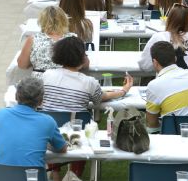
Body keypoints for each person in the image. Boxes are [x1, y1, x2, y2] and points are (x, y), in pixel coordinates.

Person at [42, 37, 132, 181]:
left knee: (56, 127)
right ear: (82, 57)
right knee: (84, 129)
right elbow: (100, 98)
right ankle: (75, 173)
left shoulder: (47, 75)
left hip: (48, 135)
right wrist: (123, 91)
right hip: (77, 135)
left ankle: (55, 171)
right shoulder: (89, 82)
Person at [0, 77, 67, 168]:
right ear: (41, 101)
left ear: (16, 96)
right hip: (33, 177)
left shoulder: (0, 115)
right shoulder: (48, 121)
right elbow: (62, 149)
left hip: (3, 176)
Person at [144, 41, 188, 134]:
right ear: (175, 58)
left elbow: (152, 124)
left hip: (172, 139)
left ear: (155, 62)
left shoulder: (154, 86)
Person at [138, 3, 188, 74]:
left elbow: (144, 65)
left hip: (168, 86)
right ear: (187, 21)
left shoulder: (158, 37)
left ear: (169, 19)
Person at [17, 6, 81, 78]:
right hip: (65, 82)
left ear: (42, 21)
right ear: (64, 20)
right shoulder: (73, 39)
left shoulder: (33, 39)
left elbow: (22, 65)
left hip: (40, 84)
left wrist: (35, 61)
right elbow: (83, 63)